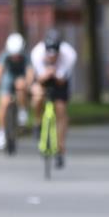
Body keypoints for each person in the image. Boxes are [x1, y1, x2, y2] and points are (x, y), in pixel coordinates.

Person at [30, 28, 77, 169]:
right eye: (49, 54)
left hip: (60, 79)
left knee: (61, 109)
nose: (51, 57)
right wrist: (47, 73)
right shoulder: (37, 53)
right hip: (43, 77)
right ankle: (38, 122)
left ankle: (60, 149)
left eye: (54, 55)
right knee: (38, 97)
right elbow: (38, 79)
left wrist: (54, 73)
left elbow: (62, 80)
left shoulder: (69, 54)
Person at [0, 32, 33, 151]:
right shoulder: (4, 55)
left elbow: (30, 73)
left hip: (21, 77)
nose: (15, 57)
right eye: (13, 55)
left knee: (20, 85)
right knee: (3, 103)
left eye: (17, 55)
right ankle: (1, 132)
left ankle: (22, 111)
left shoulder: (26, 56)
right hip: (8, 77)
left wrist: (27, 84)